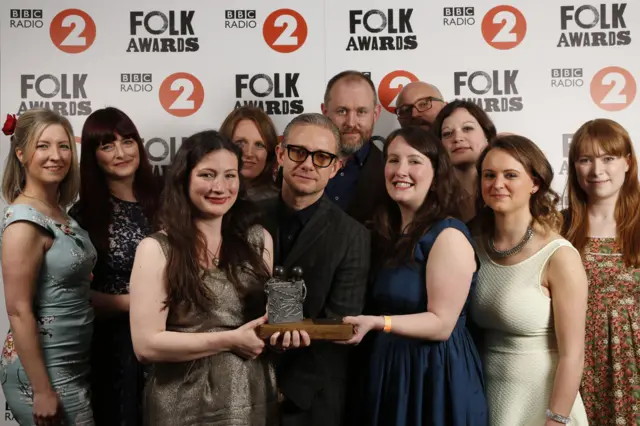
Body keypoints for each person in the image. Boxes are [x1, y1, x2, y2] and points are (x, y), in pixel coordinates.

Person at [129, 130, 278, 426]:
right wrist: (230, 340)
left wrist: (283, 335)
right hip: (182, 405)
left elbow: (265, 323)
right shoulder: (156, 249)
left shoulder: (259, 241)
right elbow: (146, 345)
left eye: (230, 175)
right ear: (184, 179)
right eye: (207, 175)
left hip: (252, 397)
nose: (220, 187)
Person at [342, 126, 488, 426]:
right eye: (393, 160)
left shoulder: (447, 235)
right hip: (388, 368)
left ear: (436, 174)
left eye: (414, 161)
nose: (400, 170)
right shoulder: (385, 234)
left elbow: (441, 324)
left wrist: (377, 322)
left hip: (433, 372)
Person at [258, 113, 370, 426]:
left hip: (310, 399)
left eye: (322, 157)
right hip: (238, 385)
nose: (308, 164)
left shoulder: (353, 236)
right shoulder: (243, 216)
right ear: (281, 154)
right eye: (298, 152)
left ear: (336, 167)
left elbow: (340, 326)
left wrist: (285, 391)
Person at [471, 135, 589, 425]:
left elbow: (573, 356)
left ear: (535, 183)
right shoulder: (471, 246)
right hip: (486, 398)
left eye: (510, 175)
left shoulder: (559, 256)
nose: (497, 184)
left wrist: (556, 419)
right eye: (489, 175)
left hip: (543, 406)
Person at [0, 108, 96, 425]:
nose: (56, 156)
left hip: (72, 363)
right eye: (43, 145)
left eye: (64, 145)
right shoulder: (24, 221)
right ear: (21, 153)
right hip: (43, 372)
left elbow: (71, 291)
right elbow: (18, 310)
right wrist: (41, 390)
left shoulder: (58, 212)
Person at [69, 107, 160, 426]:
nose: (121, 153)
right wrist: (133, 303)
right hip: (114, 349)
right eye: (107, 145)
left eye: (128, 141)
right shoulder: (84, 216)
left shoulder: (169, 199)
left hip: (171, 342)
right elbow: (74, 296)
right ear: (93, 156)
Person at [562, 118, 640, 425]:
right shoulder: (558, 227)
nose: (597, 170)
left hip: (633, 365)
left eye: (608, 158)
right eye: (586, 160)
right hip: (574, 362)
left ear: (627, 163)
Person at [321, 70, 386, 225]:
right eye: (342, 111)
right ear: (325, 112)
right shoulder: (297, 163)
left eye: (361, 111)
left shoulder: (391, 171)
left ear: (375, 114)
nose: (351, 122)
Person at [432, 99, 497, 223]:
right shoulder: (432, 198)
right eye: (447, 133)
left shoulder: (505, 189)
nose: (457, 138)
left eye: (467, 128)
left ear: (487, 135)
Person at [220, 106, 280, 201]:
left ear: (270, 153)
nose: (249, 153)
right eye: (240, 143)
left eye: (259, 145)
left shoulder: (277, 205)